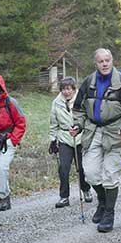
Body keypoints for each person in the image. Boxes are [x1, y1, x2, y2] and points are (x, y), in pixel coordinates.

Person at [70, 48, 121, 232]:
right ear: (96, 63)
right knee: (91, 172)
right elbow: (78, 108)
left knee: (110, 175)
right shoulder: (88, 82)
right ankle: (102, 202)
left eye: (107, 60)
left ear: (112, 61)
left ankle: (109, 213)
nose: (104, 64)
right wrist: (77, 125)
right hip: (92, 131)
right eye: (101, 61)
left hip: (116, 132)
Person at [0, 74, 26, 213]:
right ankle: (6, 199)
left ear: (1, 87)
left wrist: (13, 139)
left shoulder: (10, 102)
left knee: (2, 167)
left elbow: (21, 123)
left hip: (9, 139)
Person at [49, 77, 93, 208]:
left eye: (68, 89)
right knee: (63, 167)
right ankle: (64, 196)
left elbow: (87, 117)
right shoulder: (56, 103)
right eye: (63, 89)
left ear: (73, 89)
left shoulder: (81, 99)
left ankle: (86, 190)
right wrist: (52, 140)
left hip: (80, 137)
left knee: (82, 167)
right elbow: (53, 122)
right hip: (64, 137)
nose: (66, 92)